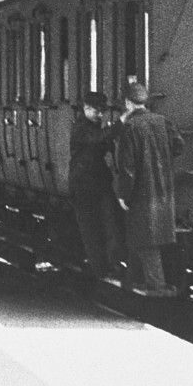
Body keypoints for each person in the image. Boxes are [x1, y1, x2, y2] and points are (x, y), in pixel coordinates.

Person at [113, 83, 185, 296]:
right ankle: (135, 280)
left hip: (142, 192)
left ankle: (156, 286)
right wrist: (161, 158)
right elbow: (179, 145)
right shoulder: (162, 121)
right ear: (145, 102)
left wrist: (124, 195)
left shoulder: (130, 128)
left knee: (145, 239)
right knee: (155, 235)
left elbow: (127, 168)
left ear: (127, 103)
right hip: (163, 188)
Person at [68, 91, 125, 279]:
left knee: (109, 223)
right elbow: (96, 139)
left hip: (98, 182)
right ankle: (100, 269)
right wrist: (120, 124)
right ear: (86, 108)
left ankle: (110, 263)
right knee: (91, 229)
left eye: (102, 111)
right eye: (96, 111)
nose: (100, 115)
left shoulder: (93, 125)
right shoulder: (80, 127)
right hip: (83, 185)